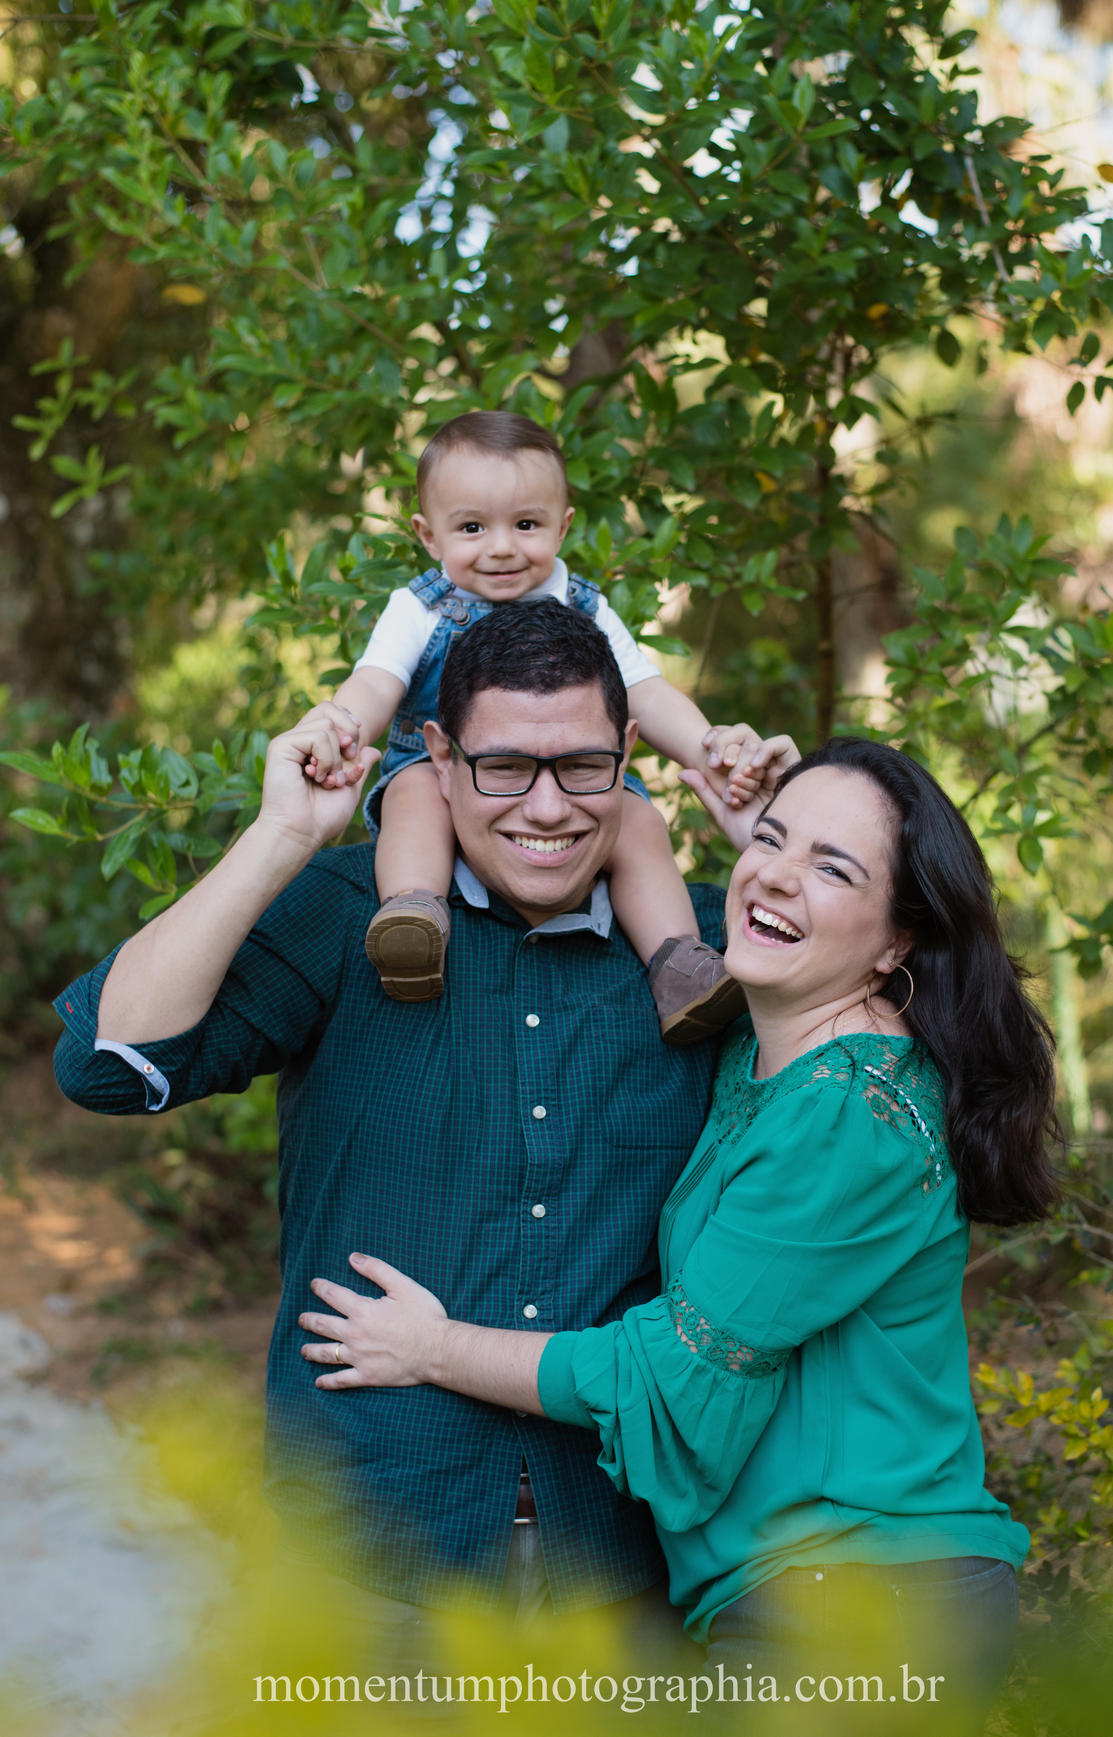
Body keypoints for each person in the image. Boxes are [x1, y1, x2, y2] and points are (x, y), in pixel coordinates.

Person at [52, 600, 787, 1704]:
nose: (547, 806)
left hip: (633, 1564)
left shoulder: (704, 955)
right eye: (503, 766)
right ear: (437, 756)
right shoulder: (352, 913)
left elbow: (934, 1088)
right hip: (370, 1551)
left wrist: (775, 859)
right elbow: (107, 1063)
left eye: (584, 766)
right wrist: (285, 834)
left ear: (633, 756)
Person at [296, 737, 1063, 1730]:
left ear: (898, 940)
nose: (776, 872)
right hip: (799, 1597)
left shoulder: (852, 1113)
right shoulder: (772, 1050)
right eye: (770, 840)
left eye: (837, 868)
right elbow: (760, 909)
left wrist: (434, 1347)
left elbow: (666, 1373)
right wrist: (785, 869)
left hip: (865, 1602)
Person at [295, 408, 796, 1042]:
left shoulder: (583, 605)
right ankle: (413, 917)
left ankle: (678, 965)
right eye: (472, 526)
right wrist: (341, 728)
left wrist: (708, 745)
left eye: (526, 524)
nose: (502, 546)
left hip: (573, 774)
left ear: (562, 527)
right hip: (441, 766)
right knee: (415, 794)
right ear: (428, 535)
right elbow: (377, 681)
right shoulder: (420, 608)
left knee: (639, 821)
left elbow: (646, 692)